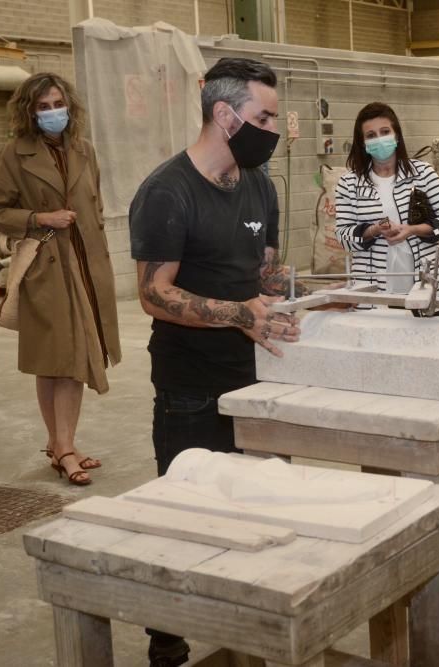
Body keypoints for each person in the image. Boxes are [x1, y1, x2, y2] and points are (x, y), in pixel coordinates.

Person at [128, 57, 300, 667]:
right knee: (186, 519)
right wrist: (239, 314)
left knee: (259, 514)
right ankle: (168, 642)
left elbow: (264, 266)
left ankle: (252, 628)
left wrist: (281, 291)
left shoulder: (259, 183)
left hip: (258, 379)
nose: (274, 129)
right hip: (191, 385)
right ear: (224, 115)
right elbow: (154, 292)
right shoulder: (167, 191)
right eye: (264, 116)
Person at [0, 72, 121, 486]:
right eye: (43, 107)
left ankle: (63, 444)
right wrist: (39, 218)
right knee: (61, 361)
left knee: (68, 362)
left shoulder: (84, 150)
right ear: (29, 111)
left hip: (87, 265)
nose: (52, 112)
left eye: (57, 104)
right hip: (48, 265)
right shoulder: (14, 153)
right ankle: (63, 448)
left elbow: (93, 205)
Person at [333, 102, 439, 479]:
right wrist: (370, 232)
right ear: (361, 142)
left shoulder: (424, 174)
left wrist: (413, 230)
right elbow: (343, 234)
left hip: (425, 283)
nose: (379, 140)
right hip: (375, 292)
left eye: (384, 132)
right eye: (370, 135)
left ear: (397, 133)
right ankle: (393, 447)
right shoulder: (351, 181)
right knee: (384, 370)